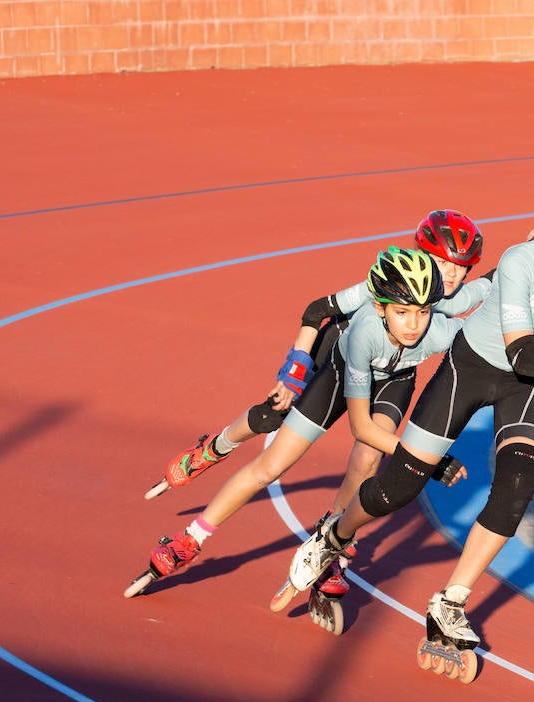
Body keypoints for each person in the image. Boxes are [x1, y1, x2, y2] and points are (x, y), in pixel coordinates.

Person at [282, 150, 534, 671]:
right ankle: (334, 534)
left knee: (516, 489)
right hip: (472, 370)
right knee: (401, 486)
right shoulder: (524, 261)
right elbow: (524, 352)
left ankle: (450, 602)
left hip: (527, 388)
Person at [125, 245, 472, 599]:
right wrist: (430, 460)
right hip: (342, 369)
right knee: (271, 459)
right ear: (380, 305)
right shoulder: (367, 324)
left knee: (369, 458)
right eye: (403, 312)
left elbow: (491, 309)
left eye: (423, 312)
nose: (414, 324)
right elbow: (360, 424)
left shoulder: (440, 326)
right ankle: (191, 533)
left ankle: (332, 543)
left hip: (394, 379)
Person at [144, 210, 489, 517]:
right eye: (443, 263)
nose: (452, 276)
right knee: (272, 415)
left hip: (390, 371)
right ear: (420, 254)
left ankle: (334, 542)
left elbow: (494, 284)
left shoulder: (455, 297)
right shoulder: (387, 286)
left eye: (461, 268)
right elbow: (316, 311)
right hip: (338, 351)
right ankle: (214, 447)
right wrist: (295, 373)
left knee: (370, 454)